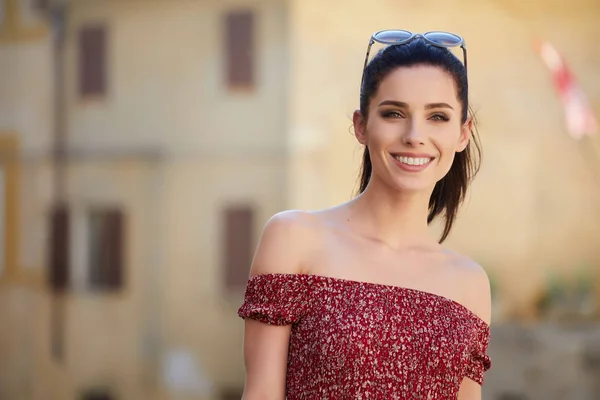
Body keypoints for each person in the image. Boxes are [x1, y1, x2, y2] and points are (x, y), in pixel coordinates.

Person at [238, 30, 492, 400]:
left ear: (462, 134)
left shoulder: (471, 284)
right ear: (361, 126)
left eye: (438, 116)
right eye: (394, 113)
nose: (414, 135)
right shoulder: (294, 238)